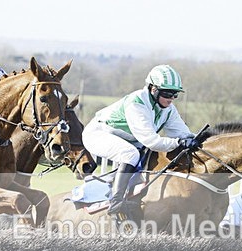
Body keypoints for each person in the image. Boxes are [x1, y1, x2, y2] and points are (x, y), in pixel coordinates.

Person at [81, 64, 200, 216]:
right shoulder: (136, 103)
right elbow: (151, 141)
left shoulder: (169, 110)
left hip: (127, 140)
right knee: (130, 154)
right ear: (153, 89)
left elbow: (183, 133)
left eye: (175, 94)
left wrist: (195, 139)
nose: (171, 99)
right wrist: (178, 143)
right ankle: (116, 202)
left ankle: (119, 186)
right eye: (167, 94)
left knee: (141, 156)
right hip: (97, 134)